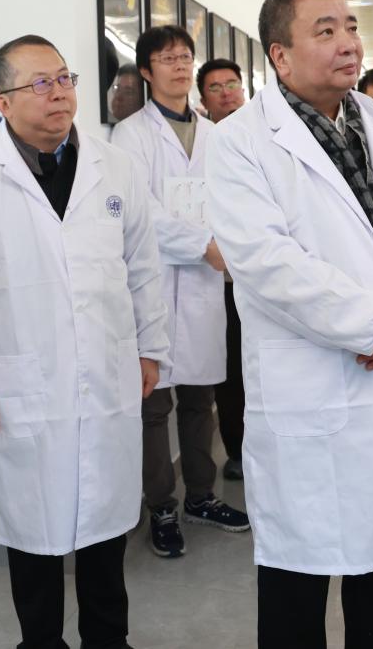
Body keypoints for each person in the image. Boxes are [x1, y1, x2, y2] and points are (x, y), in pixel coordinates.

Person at [206, 0, 373, 649]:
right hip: (312, 393)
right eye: (325, 31)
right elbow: (266, 262)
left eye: (350, 26)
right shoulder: (240, 142)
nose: (348, 42)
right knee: (296, 593)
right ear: (280, 56)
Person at [0, 35, 169, 649]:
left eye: (64, 78)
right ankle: (40, 642)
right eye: (40, 83)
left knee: (106, 532)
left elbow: (144, 268)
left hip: (109, 372)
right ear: (2, 102)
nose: (58, 93)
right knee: (34, 534)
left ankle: (108, 640)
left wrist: (150, 349)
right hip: (21, 383)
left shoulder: (117, 168)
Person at [110, 28, 249, 558]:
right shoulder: (130, 136)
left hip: (205, 283)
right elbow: (139, 211)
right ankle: (161, 506)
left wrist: (223, 244)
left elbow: (233, 201)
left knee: (200, 399)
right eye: (167, 58)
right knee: (153, 404)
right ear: (146, 71)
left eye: (185, 57)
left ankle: (201, 496)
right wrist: (202, 245)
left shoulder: (215, 135)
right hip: (154, 281)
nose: (179, 66)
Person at [197, 57, 248, 481]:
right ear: (203, 98)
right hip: (224, 279)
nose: (226, 93)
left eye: (232, 84)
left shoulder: (264, 135)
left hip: (266, 275)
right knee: (231, 371)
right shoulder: (203, 143)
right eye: (215, 87)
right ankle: (238, 450)